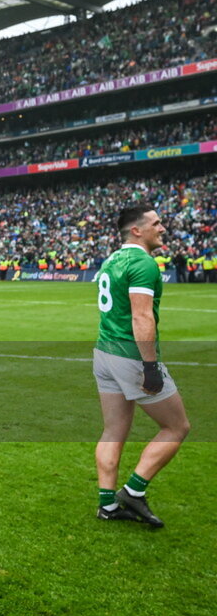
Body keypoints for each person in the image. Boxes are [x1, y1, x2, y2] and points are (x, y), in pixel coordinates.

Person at [92, 205, 191, 528]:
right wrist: (150, 366)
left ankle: (107, 506)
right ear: (137, 230)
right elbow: (141, 316)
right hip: (131, 355)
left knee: (113, 429)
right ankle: (133, 491)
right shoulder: (143, 263)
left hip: (104, 352)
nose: (162, 228)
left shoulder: (111, 260)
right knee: (177, 427)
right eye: (157, 223)